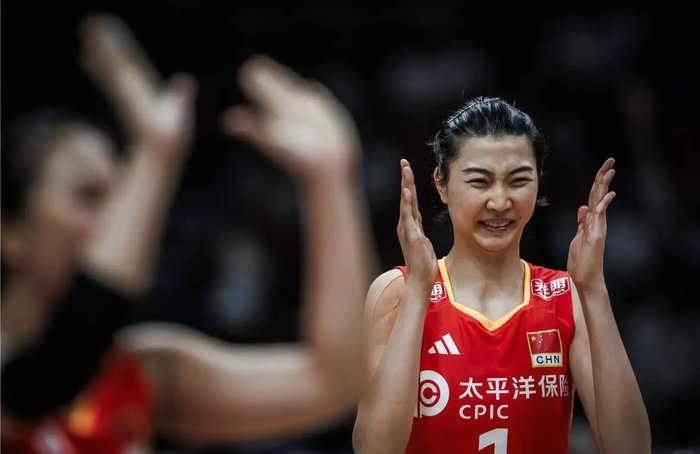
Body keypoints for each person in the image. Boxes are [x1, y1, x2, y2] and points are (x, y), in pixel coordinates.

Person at [1, 14, 374, 453]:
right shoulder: (32, 376)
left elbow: (336, 381)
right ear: (10, 231)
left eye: (123, 196)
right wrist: (157, 151)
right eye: (88, 195)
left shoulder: (143, 372)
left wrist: (329, 180)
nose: (120, 219)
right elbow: (47, 379)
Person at [353, 97, 651, 454]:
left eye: (518, 180)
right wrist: (419, 289)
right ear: (441, 184)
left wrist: (593, 288)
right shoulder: (397, 292)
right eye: (480, 182)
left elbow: (631, 448)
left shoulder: (566, 297)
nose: (499, 202)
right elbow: (373, 448)